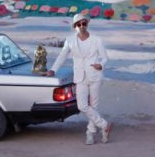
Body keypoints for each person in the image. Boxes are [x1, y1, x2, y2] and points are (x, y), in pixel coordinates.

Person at [47, 11, 112, 144]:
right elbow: (62, 56)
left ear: (87, 24)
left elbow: (105, 57)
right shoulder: (70, 40)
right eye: (78, 24)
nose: (81, 26)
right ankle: (104, 125)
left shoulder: (96, 40)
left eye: (83, 23)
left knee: (94, 105)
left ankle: (90, 133)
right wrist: (53, 69)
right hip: (80, 77)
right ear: (74, 27)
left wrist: (101, 64)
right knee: (82, 105)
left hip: (94, 75)